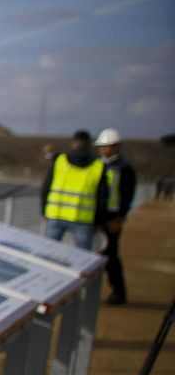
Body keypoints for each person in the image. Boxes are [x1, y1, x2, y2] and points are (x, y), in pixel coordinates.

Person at [40, 130, 105, 250]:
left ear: (74, 143)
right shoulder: (98, 166)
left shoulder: (60, 160)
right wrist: (98, 222)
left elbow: (46, 187)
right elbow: (102, 198)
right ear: (89, 144)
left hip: (55, 214)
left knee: (48, 253)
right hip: (83, 219)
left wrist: (44, 210)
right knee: (82, 258)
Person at [94, 127, 137, 305]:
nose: (103, 149)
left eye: (106, 146)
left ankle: (119, 293)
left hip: (112, 219)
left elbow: (126, 196)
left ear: (115, 146)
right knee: (95, 256)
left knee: (111, 256)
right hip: (97, 218)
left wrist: (120, 218)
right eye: (101, 146)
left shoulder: (124, 169)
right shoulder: (98, 166)